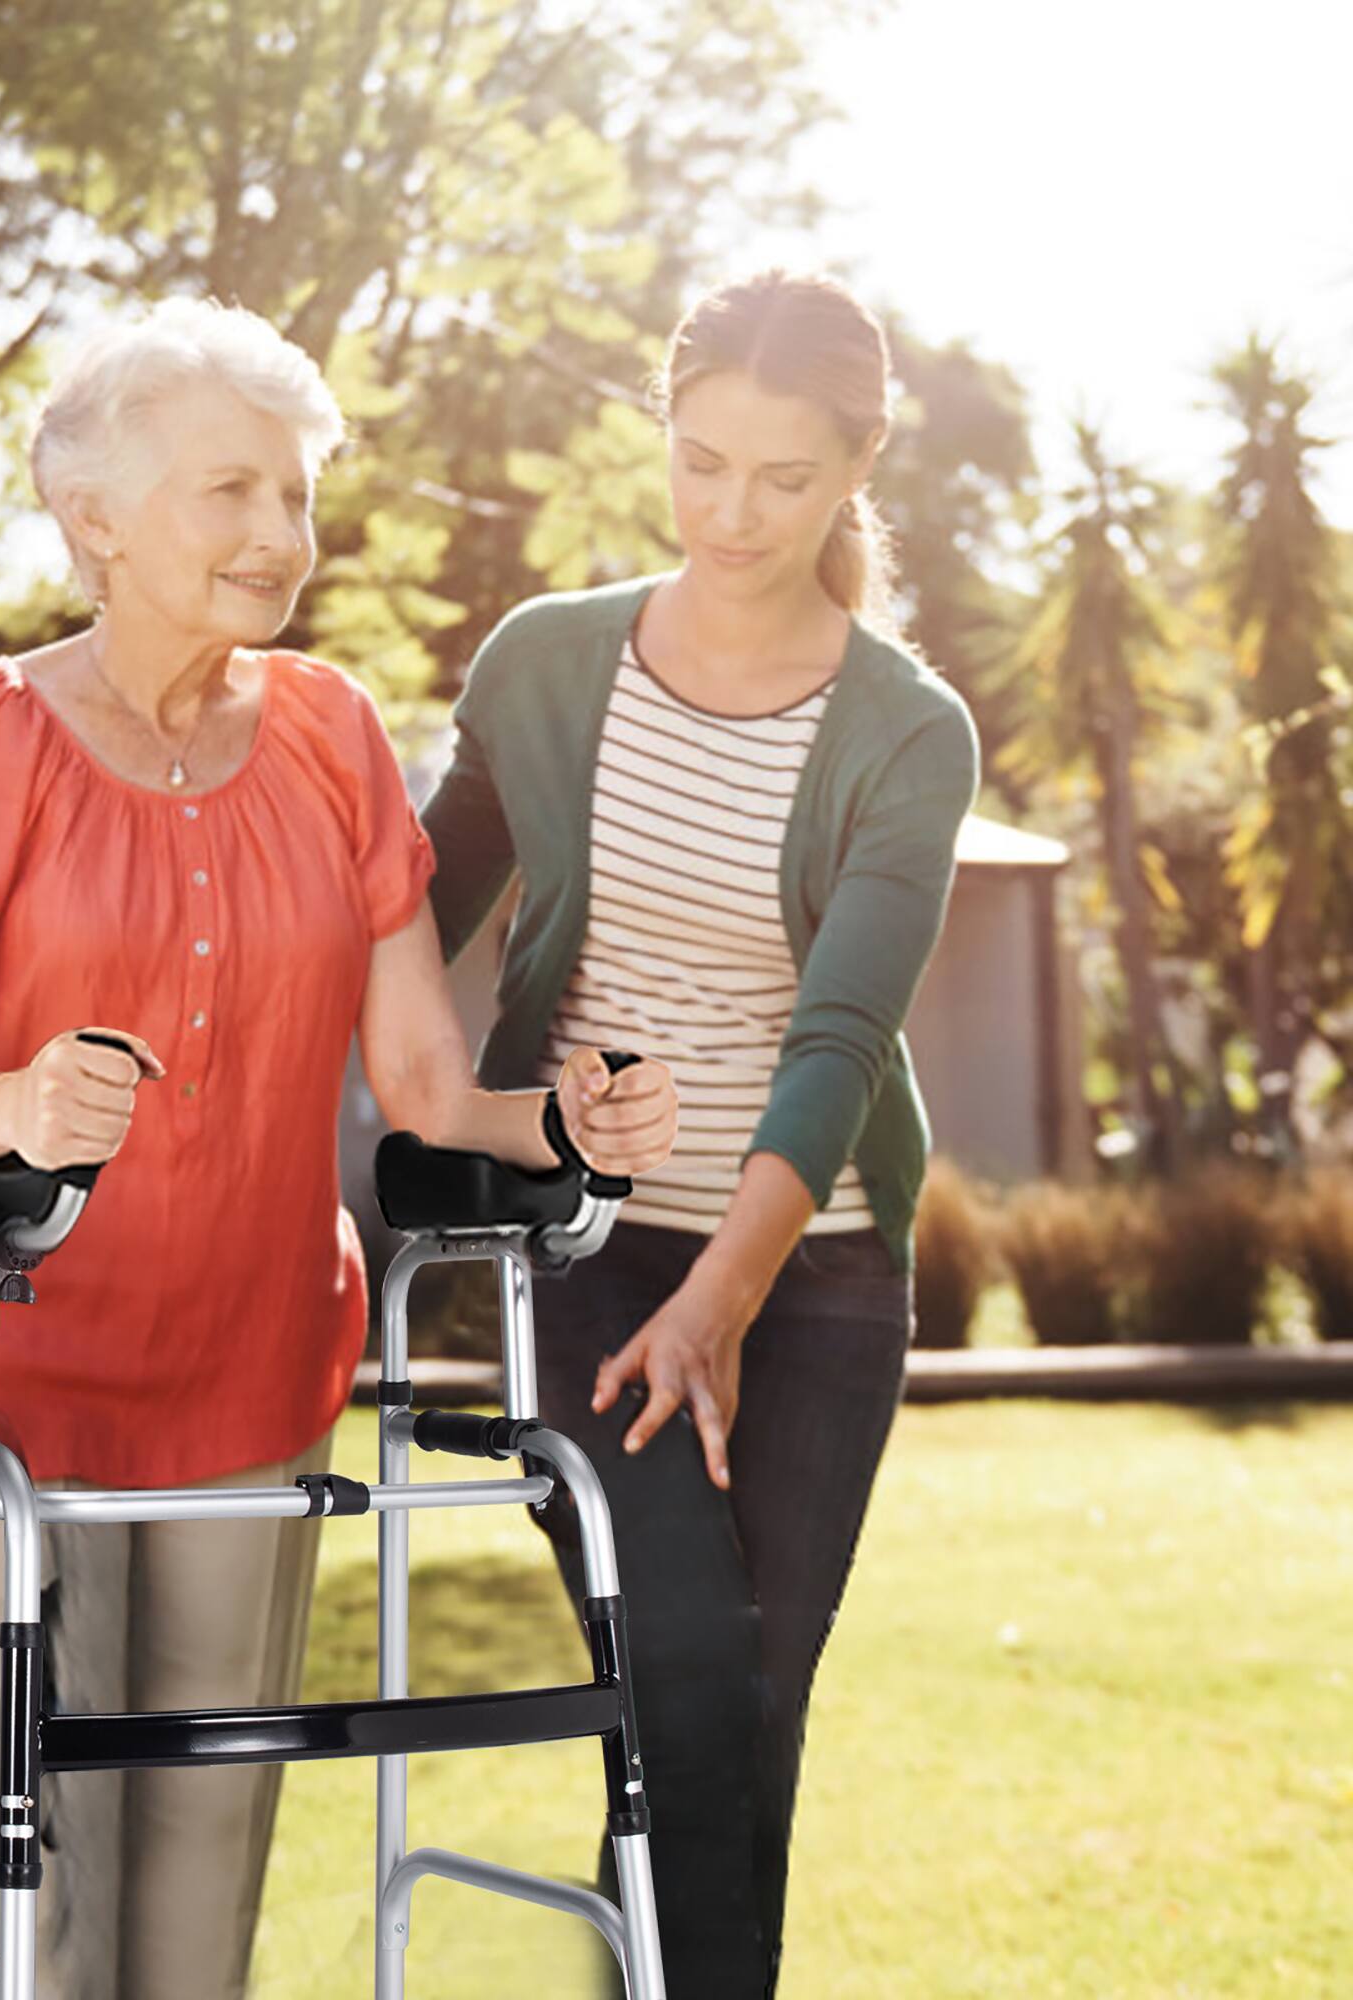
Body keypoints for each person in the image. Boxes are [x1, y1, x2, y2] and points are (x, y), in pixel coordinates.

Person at [0, 297, 680, 2000]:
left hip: (247, 1390)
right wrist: (10, 1108)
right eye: (232, 494)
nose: (282, 536)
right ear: (98, 520)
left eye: (296, 496)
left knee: (198, 1931)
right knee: (23, 1933)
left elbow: (425, 1083)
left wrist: (560, 1117)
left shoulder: (338, 734)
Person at [423, 269, 980, 1995]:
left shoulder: (905, 730)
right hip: (582, 1249)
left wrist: (726, 1296)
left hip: (809, 1278)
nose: (734, 514)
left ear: (859, 470)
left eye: (785, 479)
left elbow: (839, 1040)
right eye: (701, 462)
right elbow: (398, 917)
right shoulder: (547, 662)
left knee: (741, 1704)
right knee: (672, 1659)